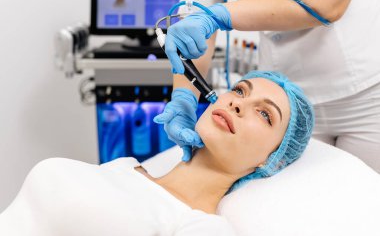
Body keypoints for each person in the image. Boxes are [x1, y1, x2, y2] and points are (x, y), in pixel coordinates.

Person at [0, 71, 314, 235]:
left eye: (265, 115)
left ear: (272, 159)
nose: (237, 103)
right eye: (239, 90)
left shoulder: (200, 227)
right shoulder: (125, 167)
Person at [156, 0, 380, 172]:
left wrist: (218, 16)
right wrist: (185, 96)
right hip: (287, 105)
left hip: (366, 88)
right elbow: (194, 14)